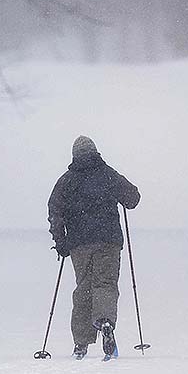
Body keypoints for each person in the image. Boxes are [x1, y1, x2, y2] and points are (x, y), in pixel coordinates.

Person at [47, 135, 141, 360]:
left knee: (84, 288)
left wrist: (60, 241)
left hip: (79, 244)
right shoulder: (108, 174)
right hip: (108, 241)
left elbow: (55, 211)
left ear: (74, 156)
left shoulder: (66, 181)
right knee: (105, 283)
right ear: (96, 152)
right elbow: (133, 198)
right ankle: (106, 321)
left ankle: (81, 342)